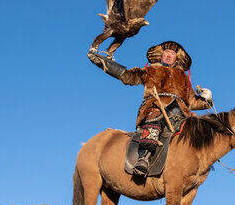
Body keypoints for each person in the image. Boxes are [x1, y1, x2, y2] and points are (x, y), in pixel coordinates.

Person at [87, 41, 213, 176]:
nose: (169, 55)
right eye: (166, 52)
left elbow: (192, 102)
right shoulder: (151, 70)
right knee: (156, 117)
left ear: (177, 58)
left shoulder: (183, 77)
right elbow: (128, 76)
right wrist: (105, 64)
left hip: (181, 113)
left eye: (172, 53)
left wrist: (207, 99)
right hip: (155, 106)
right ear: (161, 55)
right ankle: (144, 158)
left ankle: (201, 162)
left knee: (200, 128)